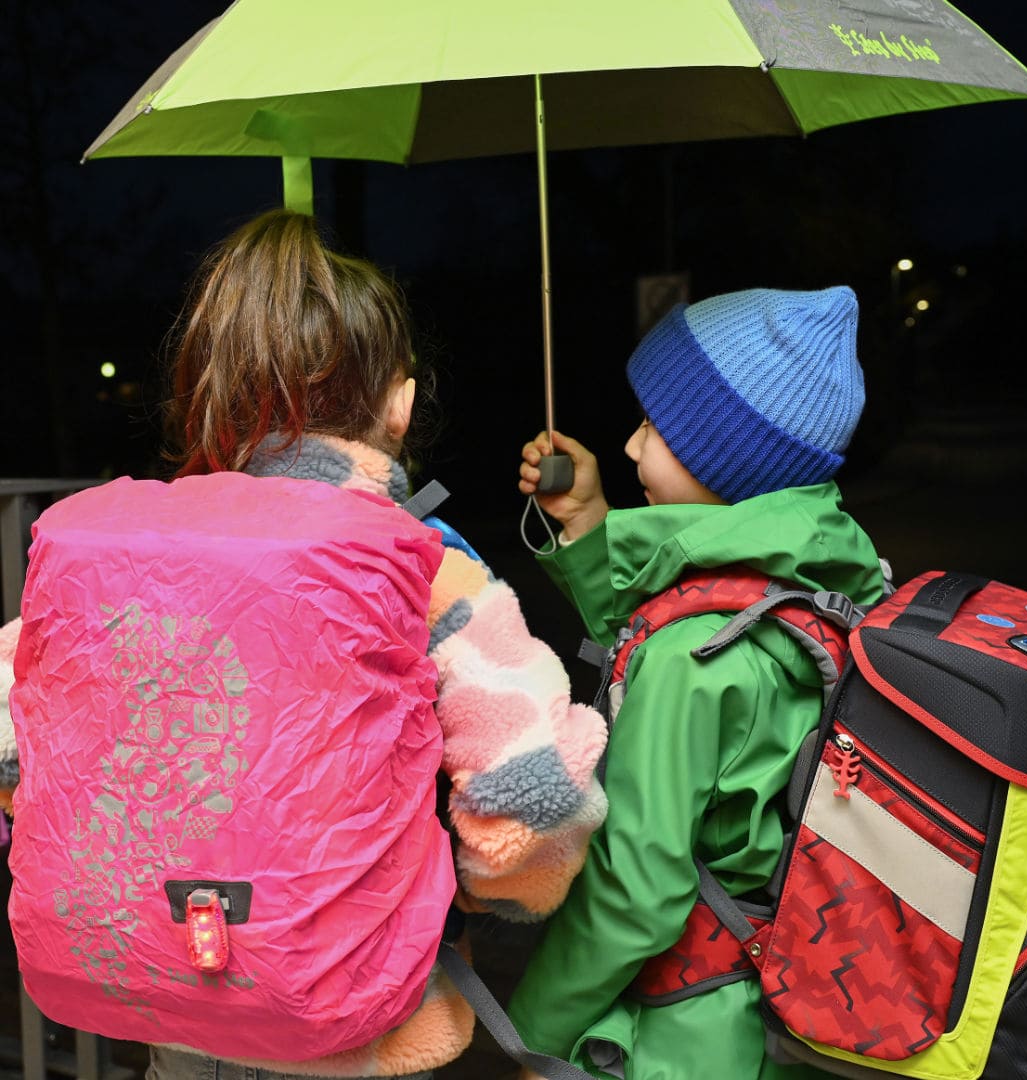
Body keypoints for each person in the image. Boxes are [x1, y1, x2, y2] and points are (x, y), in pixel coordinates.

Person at [0, 209, 608, 1080]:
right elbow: (539, 799)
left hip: (170, 1009)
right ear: (399, 403)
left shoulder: (116, 557)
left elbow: (12, 741)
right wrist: (460, 892)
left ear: (208, 388)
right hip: (364, 1023)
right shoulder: (424, 571)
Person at [509, 286, 888, 1080]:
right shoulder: (833, 579)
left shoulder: (692, 662)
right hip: (789, 1010)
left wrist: (530, 1030)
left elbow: (635, 899)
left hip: (692, 1038)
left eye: (657, 428)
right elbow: (679, 609)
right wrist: (587, 521)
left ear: (725, 453)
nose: (631, 444)